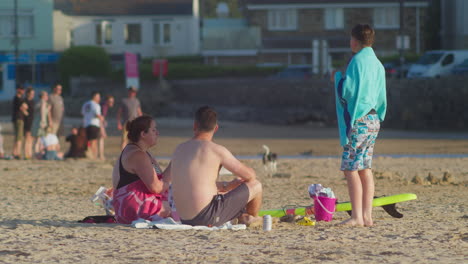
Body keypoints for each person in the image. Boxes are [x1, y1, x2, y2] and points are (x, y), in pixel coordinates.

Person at [331, 24, 387, 227]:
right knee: (365, 168)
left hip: (360, 120)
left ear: (355, 41)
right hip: (374, 120)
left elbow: (347, 91)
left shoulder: (357, 61)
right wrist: (379, 114)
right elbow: (381, 96)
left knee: (351, 169)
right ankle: (367, 217)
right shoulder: (378, 64)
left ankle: (356, 217)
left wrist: (336, 78)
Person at [171, 106, 263, 227]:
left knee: (224, 193)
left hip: (184, 218)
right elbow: (250, 176)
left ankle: (243, 216)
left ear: (195, 126)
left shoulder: (179, 149)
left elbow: (194, 183)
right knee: (256, 185)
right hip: (206, 218)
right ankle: (250, 218)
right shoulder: (216, 150)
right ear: (216, 128)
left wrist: (226, 186)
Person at [112, 115, 172, 224]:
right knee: (180, 206)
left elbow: (161, 179)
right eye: (153, 130)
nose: (157, 133)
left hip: (133, 206)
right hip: (133, 210)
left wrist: (175, 163)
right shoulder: (138, 155)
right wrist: (169, 185)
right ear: (143, 134)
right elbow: (156, 188)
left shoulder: (142, 153)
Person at [81, 92, 103, 159]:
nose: (99, 98)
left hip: (86, 124)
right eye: (98, 97)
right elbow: (97, 114)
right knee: (94, 141)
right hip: (94, 124)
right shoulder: (96, 105)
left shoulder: (85, 104)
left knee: (89, 141)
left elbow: (82, 113)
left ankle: (89, 154)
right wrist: (102, 119)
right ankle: (93, 156)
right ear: (94, 97)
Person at [98, 95, 115, 160]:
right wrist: (102, 129)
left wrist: (104, 121)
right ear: (106, 101)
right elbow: (100, 117)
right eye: (110, 101)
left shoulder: (104, 105)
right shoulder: (104, 106)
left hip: (97, 123)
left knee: (99, 139)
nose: (111, 103)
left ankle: (99, 155)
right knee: (101, 138)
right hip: (98, 124)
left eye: (112, 102)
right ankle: (101, 155)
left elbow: (102, 116)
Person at [11, 85, 25, 159]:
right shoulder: (18, 98)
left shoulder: (16, 98)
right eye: (22, 89)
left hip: (16, 119)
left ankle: (14, 152)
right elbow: (23, 107)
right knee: (19, 137)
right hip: (19, 119)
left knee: (17, 136)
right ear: (18, 90)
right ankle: (18, 153)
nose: (23, 91)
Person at [24, 87, 35, 159]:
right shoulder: (25, 101)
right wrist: (27, 115)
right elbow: (23, 110)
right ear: (28, 93)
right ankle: (26, 154)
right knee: (27, 138)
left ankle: (30, 153)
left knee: (31, 139)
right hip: (27, 122)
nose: (32, 95)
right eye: (31, 94)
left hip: (33, 121)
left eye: (33, 94)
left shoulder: (33, 101)